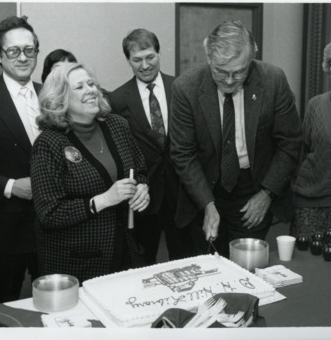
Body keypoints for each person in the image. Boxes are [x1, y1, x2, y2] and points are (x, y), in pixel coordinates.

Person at [170, 20, 303, 258]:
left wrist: (266, 194)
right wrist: (208, 206)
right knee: (208, 266)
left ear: (252, 58)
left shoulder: (273, 80)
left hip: (252, 189)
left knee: (248, 267)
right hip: (203, 188)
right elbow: (183, 154)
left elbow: (290, 142)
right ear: (208, 58)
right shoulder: (185, 88)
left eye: (239, 71)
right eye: (221, 71)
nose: (230, 80)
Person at [31, 62, 149, 283]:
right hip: (78, 262)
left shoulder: (117, 125)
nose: (91, 90)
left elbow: (139, 170)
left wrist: (142, 187)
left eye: (91, 84)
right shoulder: (48, 143)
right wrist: (102, 200)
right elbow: (49, 213)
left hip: (125, 249)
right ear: (60, 98)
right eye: (80, 87)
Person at [109, 28, 186, 265]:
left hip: (182, 193)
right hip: (143, 196)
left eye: (150, 57)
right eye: (137, 60)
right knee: (142, 263)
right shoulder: (118, 99)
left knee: (185, 260)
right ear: (128, 61)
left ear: (159, 54)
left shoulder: (182, 88)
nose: (145, 65)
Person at [0, 16, 40, 306]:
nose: (22, 57)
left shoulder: (52, 95)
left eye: (29, 50)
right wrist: (10, 185)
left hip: (52, 229)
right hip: (3, 233)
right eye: (13, 51)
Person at [291, 42, 331, 238]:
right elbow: (302, 150)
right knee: (306, 264)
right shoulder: (316, 105)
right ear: (328, 69)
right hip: (312, 202)